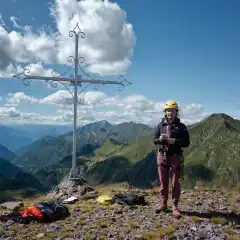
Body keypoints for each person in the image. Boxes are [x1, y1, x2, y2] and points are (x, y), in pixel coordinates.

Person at [153, 100, 190, 217]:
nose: (170, 112)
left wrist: (175, 141)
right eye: (168, 110)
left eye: (172, 110)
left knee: (175, 183)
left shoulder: (181, 127)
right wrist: (160, 140)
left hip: (175, 157)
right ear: (165, 112)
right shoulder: (160, 126)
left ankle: (175, 206)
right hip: (162, 156)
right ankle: (164, 203)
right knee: (163, 183)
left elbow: (186, 143)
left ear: (176, 112)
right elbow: (154, 140)